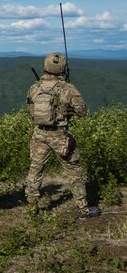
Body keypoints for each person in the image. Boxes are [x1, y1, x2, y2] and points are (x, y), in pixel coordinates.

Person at [25, 52, 99, 218]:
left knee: (35, 170)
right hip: (60, 136)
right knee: (74, 170)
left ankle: (31, 207)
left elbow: (31, 113)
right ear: (62, 68)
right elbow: (83, 112)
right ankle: (83, 208)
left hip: (39, 134)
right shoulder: (68, 88)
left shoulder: (34, 88)